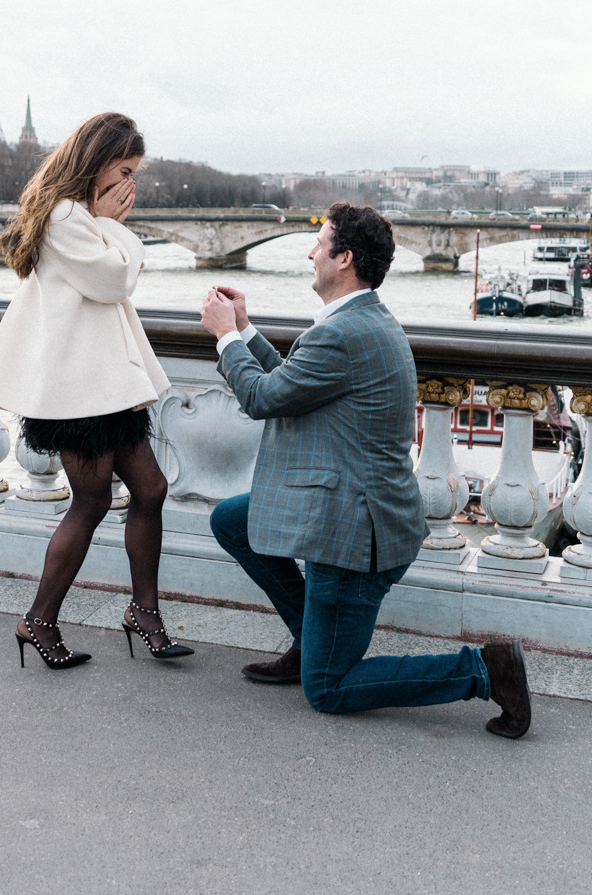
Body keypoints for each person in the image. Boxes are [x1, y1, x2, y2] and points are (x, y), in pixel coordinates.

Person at [198, 202, 532, 737]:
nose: (310, 252)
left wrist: (224, 338)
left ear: (344, 258)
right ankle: (312, 641)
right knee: (233, 521)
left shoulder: (342, 334)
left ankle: (484, 670)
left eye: (320, 243)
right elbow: (294, 381)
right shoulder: (357, 322)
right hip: (357, 510)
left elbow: (263, 397)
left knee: (328, 689)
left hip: (355, 535)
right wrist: (246, 329)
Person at [0, 111, 192, 669]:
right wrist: (117, 227)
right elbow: (115, 279)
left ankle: (144, 613)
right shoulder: (65, 216)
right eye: (124, 170)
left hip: (106, 387)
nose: (130, 186)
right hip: (79, 393)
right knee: (92, 501)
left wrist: (108, 221)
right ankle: (39, 620)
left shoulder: (78, 213)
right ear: (95, 164)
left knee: (151, 490)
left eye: (135, 172)